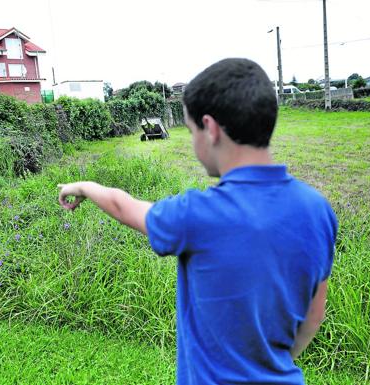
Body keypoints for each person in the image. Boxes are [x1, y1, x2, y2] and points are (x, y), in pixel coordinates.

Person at [57, 58, 337, 385]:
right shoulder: (317, 209)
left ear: (211, 128)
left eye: (192, 131)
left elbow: (124, 206)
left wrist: (84, 186)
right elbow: (315, 313)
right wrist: (272, 365)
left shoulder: (196, 214)